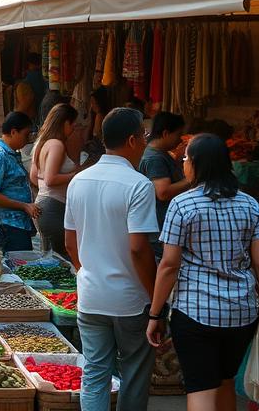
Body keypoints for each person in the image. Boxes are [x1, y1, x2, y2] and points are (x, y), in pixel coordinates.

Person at [147, 134, 259, 411]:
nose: (183, 163)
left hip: (195, 312)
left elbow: (169, 265)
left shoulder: (182, 205)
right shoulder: (251, 205)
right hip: (241, 312)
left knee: (200, 386)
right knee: (225, 381)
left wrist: (155, 314)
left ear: (197, 164)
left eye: (186, 158)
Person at [64, 107, 157, 411]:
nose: (145, 142)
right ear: (131, 140)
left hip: (91, 296)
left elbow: (70, 242)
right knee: (134, 372)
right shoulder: (138, 185)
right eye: (143, 136)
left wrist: (87, 273)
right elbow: (138, 249)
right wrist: (155, 298)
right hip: (130, 299)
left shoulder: (79, 181)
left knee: (95, 372)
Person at [0, 111, 40, 252]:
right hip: (7, 225)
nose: (27, 139)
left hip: (18, 224)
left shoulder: (12, 154)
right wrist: (24, 206)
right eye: (25, 134)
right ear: (13, 132)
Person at [137, 111, 189, 259]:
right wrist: (192, 179)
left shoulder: (159, 154)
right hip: (160, 228)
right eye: (178, 134)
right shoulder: (155, 158)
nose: (180, 139)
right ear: (166, 133)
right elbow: (163, 192)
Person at [31, 103, 80, 257]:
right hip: (53, 206)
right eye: (72, 125)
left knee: (51, 258)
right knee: (63, 259)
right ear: (65, 123)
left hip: (43, 204)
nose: (73, 129)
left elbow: (34, 177)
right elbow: (50, 179)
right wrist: (77, 175)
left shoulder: (41, 142)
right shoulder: (56, 145)